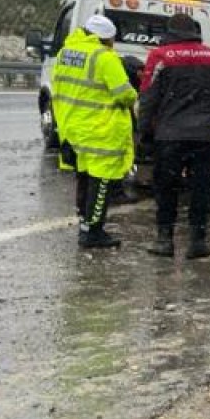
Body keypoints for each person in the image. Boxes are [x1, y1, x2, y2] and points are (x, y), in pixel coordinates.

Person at [138, 12, 210, 259]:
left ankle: (165, 240)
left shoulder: (160, 56)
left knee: (166, 188)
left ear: (169, 32)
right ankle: (197, 241)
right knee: (200, 188)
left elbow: (148, 97)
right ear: (194, 31)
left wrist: (142, 133)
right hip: (205, 135)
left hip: (170, 134)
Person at [51, 14, 137, 248]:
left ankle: (84, 225)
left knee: (84, 178)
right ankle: (93, 232)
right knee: (101, 183)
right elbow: (125, 94)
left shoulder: (65, 53)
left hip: (73, 127)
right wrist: (134, 93)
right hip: (100, 130)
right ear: (106, 38)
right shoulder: (105, 57)